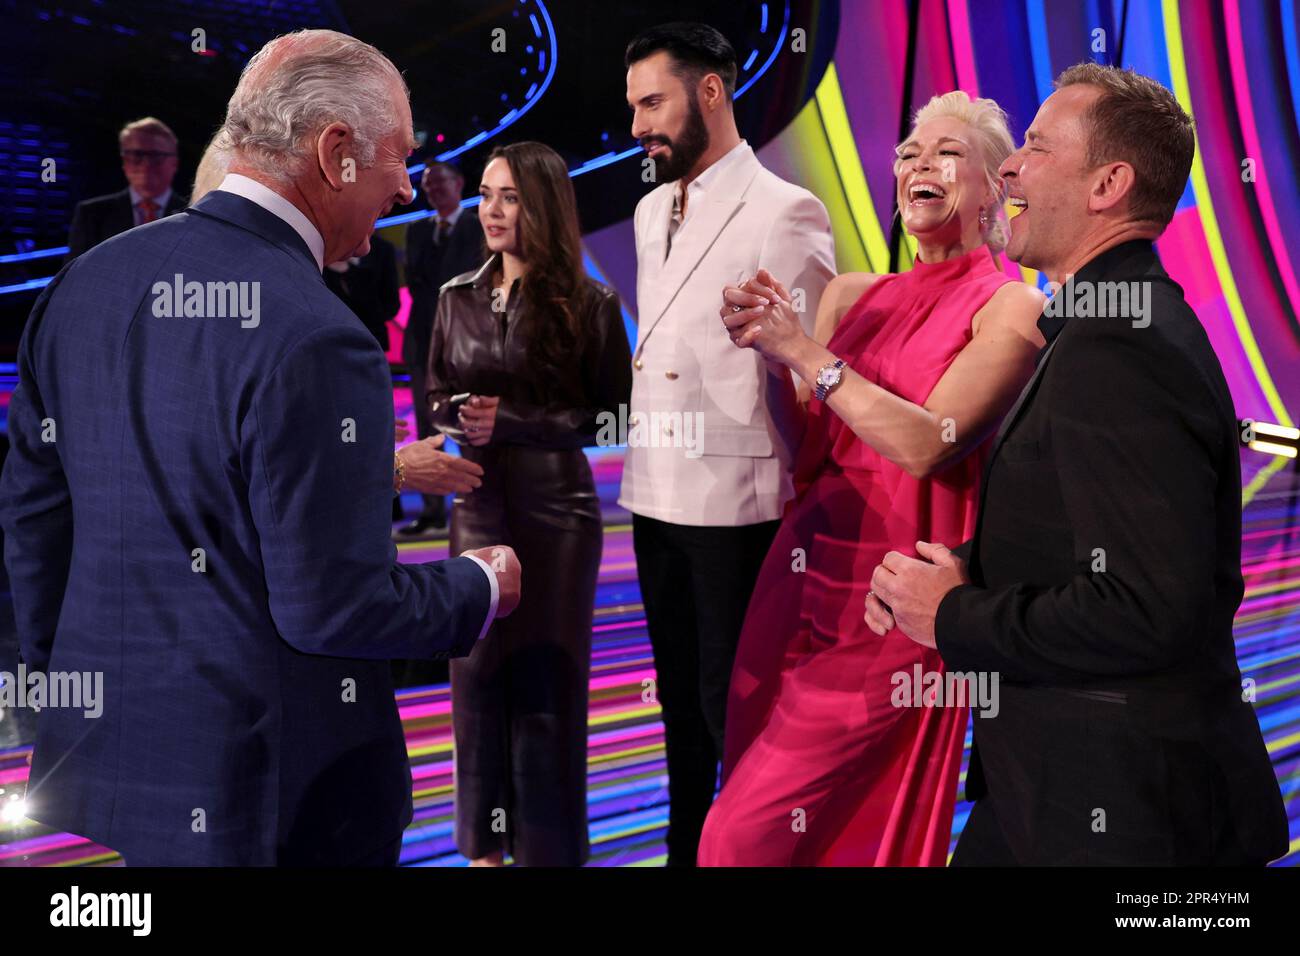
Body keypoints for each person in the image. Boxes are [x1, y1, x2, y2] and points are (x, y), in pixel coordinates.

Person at [0, 29, 520, 867]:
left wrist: (76, 695)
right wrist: (477, 585)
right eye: (399, 157)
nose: (404, 186)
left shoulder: (83, 283)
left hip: (126, 765)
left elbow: (33, 520)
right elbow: (335, 607)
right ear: (337, 151)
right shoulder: (320, 337)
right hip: (276, 791)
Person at [867, 63, 1289, 865]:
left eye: (1034, 146)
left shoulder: (1118, 346)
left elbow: (1147, 608)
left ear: (1109, 185)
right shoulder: (1107, 325)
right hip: (1055, 791)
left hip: (1117, 809)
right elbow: (1096, 538)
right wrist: (952, 573)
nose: (1010, 168)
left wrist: (954, 616)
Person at [697, 92, 1046, 866]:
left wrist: (805, 352)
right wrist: (765, 352)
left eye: (948, 152)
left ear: (994, 185)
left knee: (736, 839)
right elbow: (807, 450)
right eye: (910, 152)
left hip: (895, 610)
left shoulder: (1012, 306)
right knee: (779, 823)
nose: (921, 164)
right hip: (800, 580)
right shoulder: (853, 296)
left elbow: (930, 444)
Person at [620, 21, 837, 867]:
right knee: (676, 699)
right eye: (632, 106)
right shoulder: (645, 209)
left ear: (711, 91)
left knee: (735, 703)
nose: (638, 125)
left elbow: (808, 365)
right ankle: (686, 851)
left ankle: (750, 853)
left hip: (735, 497)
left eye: (652, 103)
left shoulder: (789, 209)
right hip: (652, 489)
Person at [425, 141, 630, 866]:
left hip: (558, 513)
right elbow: (435, 394)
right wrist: (457, 417)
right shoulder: (453, 297)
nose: (491, 209)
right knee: (476, 676)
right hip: (477, 507)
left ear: (540, 204)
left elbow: (614, 421)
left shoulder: (592, 303)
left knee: (548, 682)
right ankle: (483, 848)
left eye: (508, 196)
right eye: (485, 194)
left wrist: (510, 421)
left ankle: (548, 852)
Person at [400, 161, 485, 536]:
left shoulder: (480, 223)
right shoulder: (417, 230)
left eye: (440, 182)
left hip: (467, 344)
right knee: (425, 426)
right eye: (427, 184)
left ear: (460, 182)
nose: (433, 189)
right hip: (422, 343)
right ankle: (432, 510)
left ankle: (476, 503)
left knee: (469, 422)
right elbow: (417, 289)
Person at [66, 117, 188, 260]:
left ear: (174, 163)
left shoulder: (192, 215)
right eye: (137, 155)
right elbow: (75, 277)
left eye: (156, 156)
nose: (146, 164)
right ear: (124, 161)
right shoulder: (92, 215)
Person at [325, 228, 401, 350]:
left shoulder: (383, 249)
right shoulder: (323, 252)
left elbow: (392, 305)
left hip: (373, 342)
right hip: (333, 345)